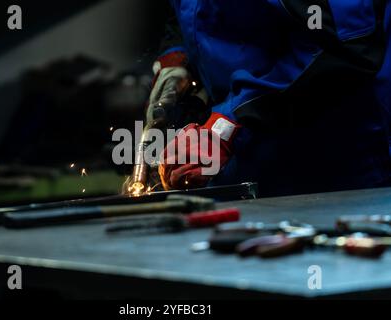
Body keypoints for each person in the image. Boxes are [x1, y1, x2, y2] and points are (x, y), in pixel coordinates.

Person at [148, 0, 391, 197]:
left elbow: (345, 44)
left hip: (341, 167)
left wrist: (229, 124)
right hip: (251, 157)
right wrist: (177, 54)